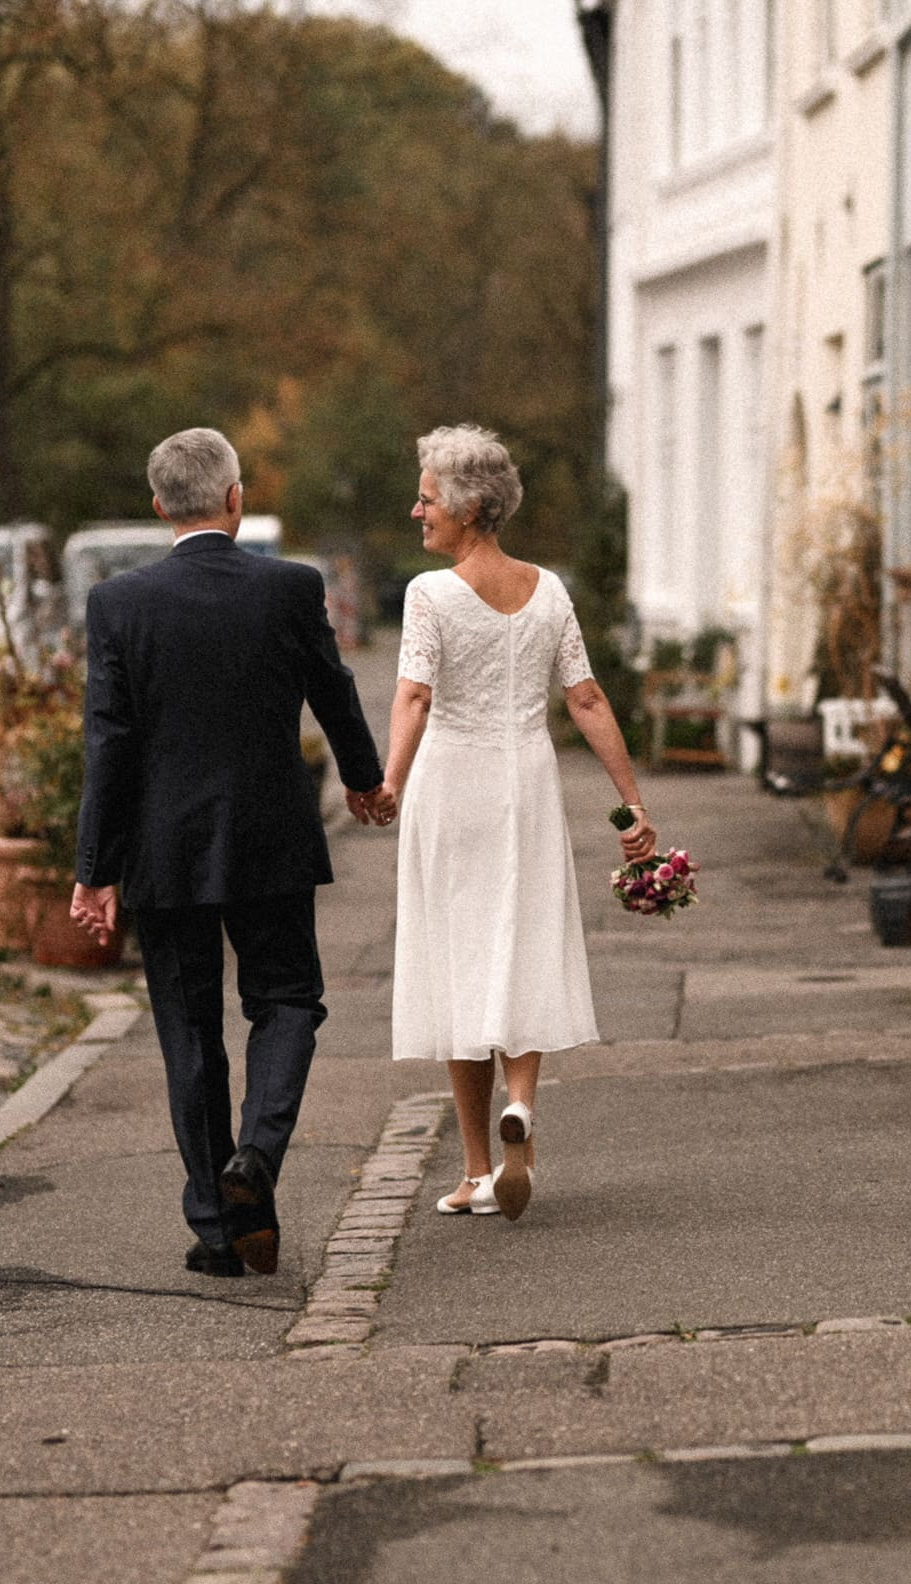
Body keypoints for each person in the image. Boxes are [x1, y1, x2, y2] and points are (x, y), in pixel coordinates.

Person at [70, 427, 390, 1278]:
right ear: (235, 498)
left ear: (158, 507)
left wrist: (93, 868)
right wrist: (365, 780)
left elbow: (110, 743)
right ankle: (256, 1154)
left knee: (188, 1031)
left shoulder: (118, 604)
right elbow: (334, 687)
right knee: (286, 1002)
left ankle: (217, 1225)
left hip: (163, 849)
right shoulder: (288, 587)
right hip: (269, 837)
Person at [383, 424, 653, 1221]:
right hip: (526, 783)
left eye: (427, 498)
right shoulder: (551, 590)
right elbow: (587, 698)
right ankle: (521, 1118)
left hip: (451, 788)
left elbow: (415, 696)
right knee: (523, 939)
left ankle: (474, 1169)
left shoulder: (428, 596)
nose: (416, 510)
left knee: (458, 960)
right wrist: (633, 802)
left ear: (468, 507)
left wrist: (388, 781)